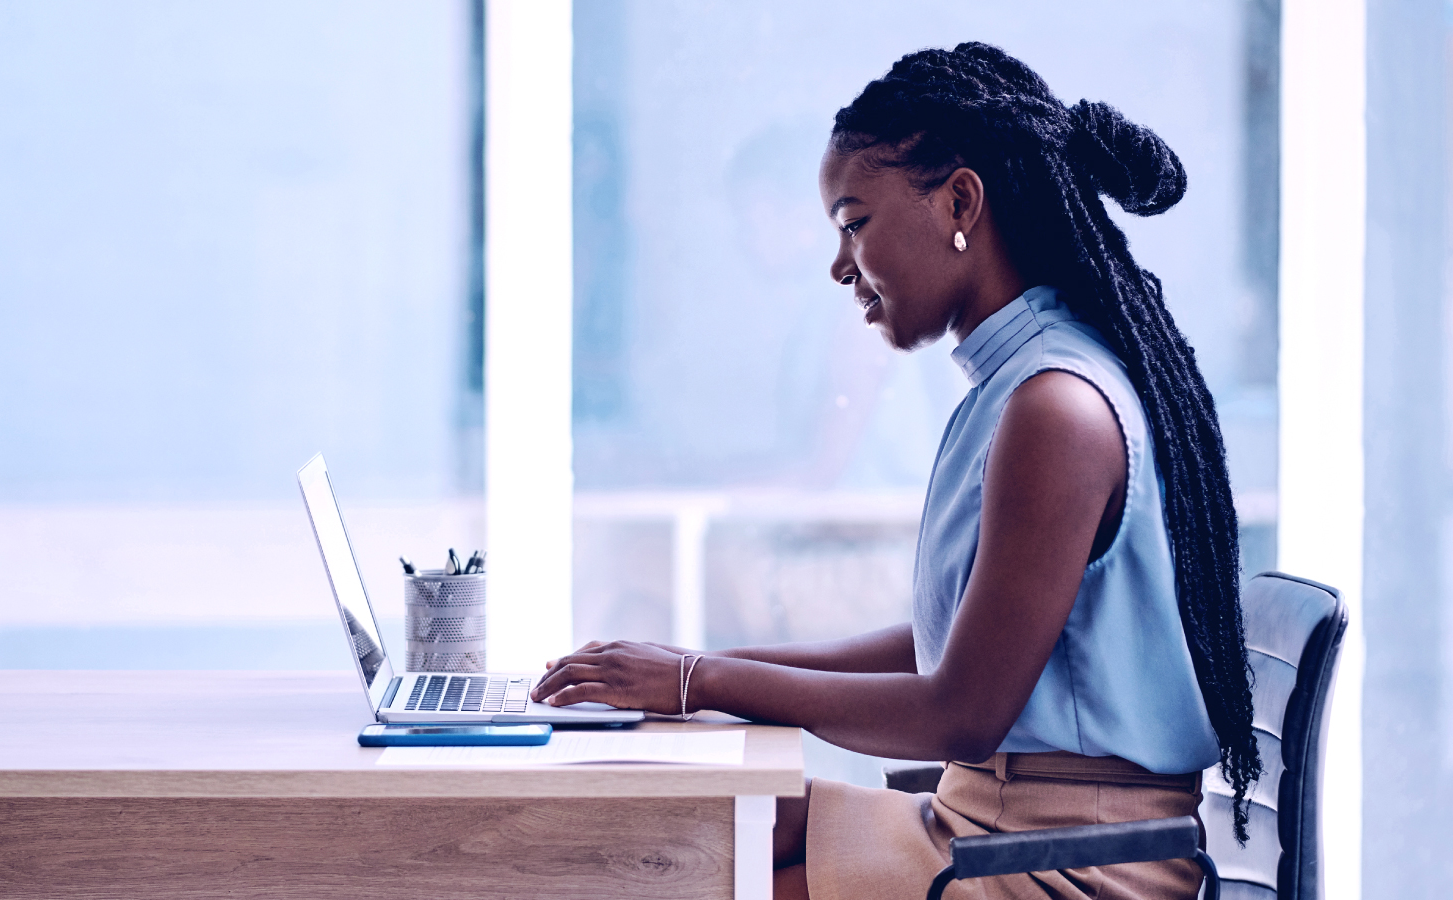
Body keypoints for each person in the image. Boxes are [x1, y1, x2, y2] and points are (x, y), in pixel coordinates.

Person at [530, 42, 1258, 900]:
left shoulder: (1056, 408)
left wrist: (702, 683)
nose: (840, 264)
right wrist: (695, 665)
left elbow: (962, 711)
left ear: (960, 201)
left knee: (683, 872)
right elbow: (942, 644)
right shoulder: (1016, 385)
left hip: (1068, 864)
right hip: (987, 820)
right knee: (675, 837)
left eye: (854, 221)